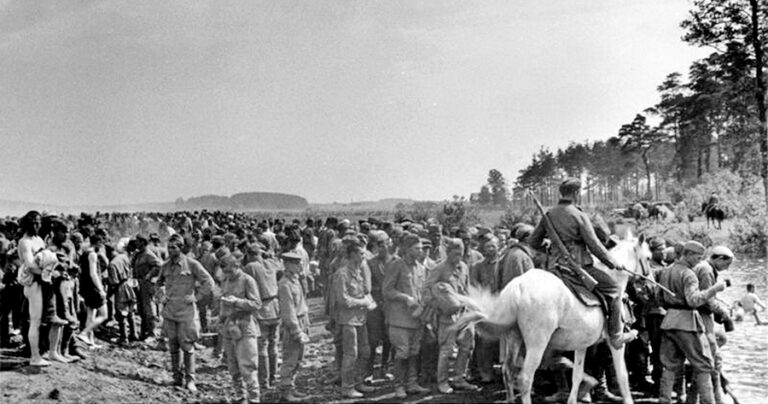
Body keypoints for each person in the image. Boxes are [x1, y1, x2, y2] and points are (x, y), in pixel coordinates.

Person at [528, 178, 637, 350]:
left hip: (553, 268)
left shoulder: (549, 214)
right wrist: (613, 263)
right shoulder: (579, 215)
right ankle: (616, 335)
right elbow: (594, 246)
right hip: (578, 267)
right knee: (615, 290)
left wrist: (550, 247)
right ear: (576, 194)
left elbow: (533, 242)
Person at [656, 241, 728, 404]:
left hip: (668, 321)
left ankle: (664, 400)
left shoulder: (666, 271)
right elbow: (693, 301)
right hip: (687, 323)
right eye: (697, 256)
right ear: (687, 254)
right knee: (704, 365)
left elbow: (658, 298)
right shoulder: (689, 274)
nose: (699, 260)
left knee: (669, 365)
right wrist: (714, 289)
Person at [155, 234, 214, 392]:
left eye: (174, 247)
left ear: (181, 248)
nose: (170, 250)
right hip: (170, 312)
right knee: (173, 346)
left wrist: (197, 296)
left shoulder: (192, 264)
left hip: (186, 313)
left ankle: (190, 379)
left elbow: (209, 281)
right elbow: (158, 283)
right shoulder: (166, 266)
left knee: (187, 346)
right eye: (169, 247)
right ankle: (177, 377)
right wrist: (161, 296)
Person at [425, 238, 479, 394]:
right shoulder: (438, 269)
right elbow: (426, 291)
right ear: (447, 253)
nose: (458, 258)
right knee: (446, 350)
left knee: (468, 346)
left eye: (461, 254)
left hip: (464, 313)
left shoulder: (463, 267)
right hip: (447, 316)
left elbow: (467, 288)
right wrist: (439, 305)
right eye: (455, 254)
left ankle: (459, 378)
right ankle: (442, 382)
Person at [382, 233, 430, 398]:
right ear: (407, 249)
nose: (420, 251)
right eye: (416, 248)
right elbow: (387, 290)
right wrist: (405, 298)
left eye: (421, 248)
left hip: (417, 318)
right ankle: (399, 386)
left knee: (414, 352)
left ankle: (412, 383)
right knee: (402, 352)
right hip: (399, 319)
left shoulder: (421, 268)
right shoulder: (397, 265)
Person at [333, 237, 378, 398]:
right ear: (351, 254)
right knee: (350, 355)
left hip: (360, 319)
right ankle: (347, 387)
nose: (363, 255)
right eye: (360, 253)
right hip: (348, 320)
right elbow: (342, 300)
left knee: (364, 352)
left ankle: (358, 382)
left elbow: (365, 292)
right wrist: (363, 302)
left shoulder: (357, 272)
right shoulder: (342, 274)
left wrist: (368, 302)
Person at [692, 245, 735, 404]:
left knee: (704, 362)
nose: (727, 268)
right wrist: (723, 314)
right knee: (711, 361)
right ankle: (715, 399)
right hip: (701, 317)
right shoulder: (706, 270)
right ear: (718, 258)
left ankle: (697, 398)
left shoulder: (704, 267)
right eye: (727, 263)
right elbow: (707, 300)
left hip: (697, 316)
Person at [219, 253, 262, 403]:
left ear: (237, 267)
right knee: (233, 366)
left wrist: (237, 301)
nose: (227, 275)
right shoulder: (225, 280)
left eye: (230, 271)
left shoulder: (247, 280)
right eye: (225, 272)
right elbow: (222, 302)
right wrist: (220, 318)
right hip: (229, 327)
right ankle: (240, 397)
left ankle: (253, 399)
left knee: (248, 366)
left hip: (244, 326)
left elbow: (256, 304)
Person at [244, 242, 281, 389]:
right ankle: (273, 377)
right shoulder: (272, 263)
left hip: (261, 309)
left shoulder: (250, 267)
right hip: (274, 306)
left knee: (262, 346)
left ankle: (264, 380)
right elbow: (279, 265)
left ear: (249, 254)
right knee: (274, 344)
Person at [278, 252, 310, 402]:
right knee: (290, 358)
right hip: (294, 324)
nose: (300, 266)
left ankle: (291, 386)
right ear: (288, 265)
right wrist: (296, 331)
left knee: (298, 358)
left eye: (300, 263)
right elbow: (288, 311)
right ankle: (285, 390)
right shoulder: (285, 284)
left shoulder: (295, 280)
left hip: (303, 320)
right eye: (296, 263)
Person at [469, 236, 501, 383]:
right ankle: (484, 371)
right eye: (488, 246)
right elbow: (474, 286)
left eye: (493, 246)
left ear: (498, 247)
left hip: (501, 305)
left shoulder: (503, 265)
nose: (490, 249)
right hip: (484, 307)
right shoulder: (477, 266)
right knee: (484, 341)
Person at [365, 230, 395, 381]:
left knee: (390, 339)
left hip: (392, 307)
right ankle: (368, 371)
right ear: (375, 246)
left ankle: (385, 368)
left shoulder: (396, 262)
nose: (383, 247)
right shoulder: (370, 263)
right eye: (379, 245)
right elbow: (367, 287)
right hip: (376, 307)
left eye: (385, 244)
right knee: (373, 339)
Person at [76, 230, 109, 348]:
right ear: (98, 242)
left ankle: (91, 342)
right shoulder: (93, 254)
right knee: (104, 315)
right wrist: (101, 289)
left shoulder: (85, 253)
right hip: (93, 288)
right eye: (102, 242)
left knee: (91, 315)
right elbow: (93, 273)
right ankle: (84, 333)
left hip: (86, 287)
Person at [107, 241, 138, 344]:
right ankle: (134, 334)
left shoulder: (112, 264)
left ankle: (124, 338)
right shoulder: (125, 257)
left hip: (121, 288)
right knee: (130, 312)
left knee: (121, 314)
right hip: (129, 285)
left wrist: (109, 294)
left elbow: (114, 282)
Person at [133, 235, 162, 340]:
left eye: (138, 241)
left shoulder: (148, 254)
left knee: (148, 308)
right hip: (139, 283)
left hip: (146, 284)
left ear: (142, 242)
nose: (136, 243)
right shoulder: (139, 254)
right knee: (141, 309)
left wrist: (149, 276)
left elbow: (159, 265)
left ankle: (152, 333)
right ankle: (143, 332)